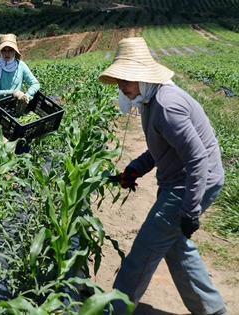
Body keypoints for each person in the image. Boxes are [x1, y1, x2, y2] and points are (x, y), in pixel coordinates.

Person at [99, 37, 229, 315]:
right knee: (175, 245)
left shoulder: (167, 107)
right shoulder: (151, 101)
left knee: (144, 250)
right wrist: (134, 169)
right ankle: (213, 310)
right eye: (119, 79)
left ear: (142, 77)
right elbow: (162, 148)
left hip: (193, 182)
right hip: (183, 180)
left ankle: (114, 310)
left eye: (126, 79)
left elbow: (197, 158)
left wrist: (190, 209)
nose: (121, 86)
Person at [0, 33, 40, 156]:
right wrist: (13, 92)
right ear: (0, 52)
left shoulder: (21, 66)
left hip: (12, 112)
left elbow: (35, 84)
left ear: (15, 52)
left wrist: (27, 96)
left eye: (10, 50)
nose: (7, 53)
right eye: (4, 50)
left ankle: (18, 167)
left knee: (22, 140)